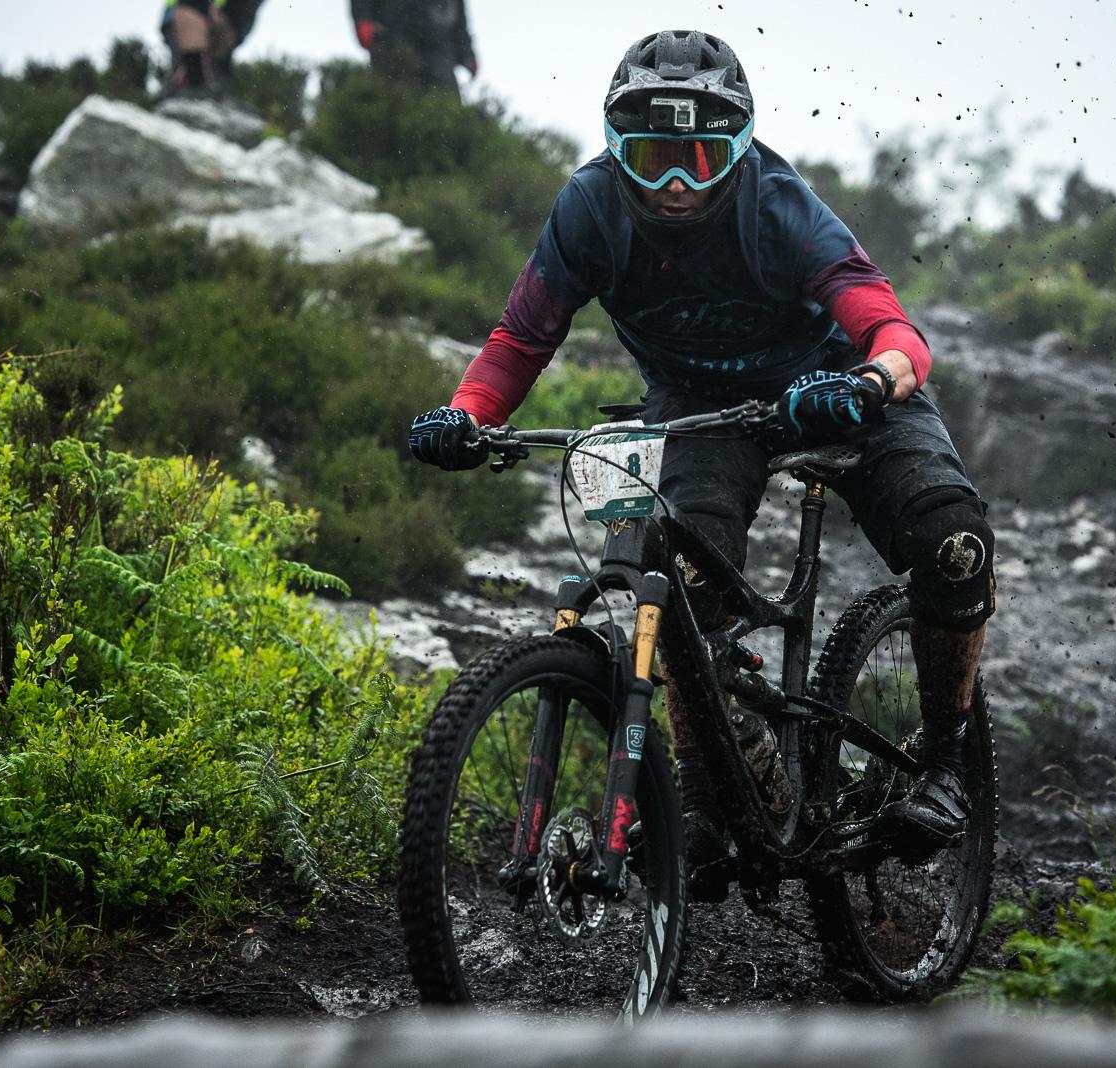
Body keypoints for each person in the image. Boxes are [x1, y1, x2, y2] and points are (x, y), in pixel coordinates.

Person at [406, 30, 995, 871]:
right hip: (706, 412)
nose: (675, 183)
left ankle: (943, 759)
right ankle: (712, 789)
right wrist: (466, 415)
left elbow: (894, 329)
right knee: (675, 590)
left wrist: (871, 380)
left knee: (955, 543)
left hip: (837, 388)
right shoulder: (590, 208)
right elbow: (520, 338)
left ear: (739, 151)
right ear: (617, 152)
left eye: (699, 157)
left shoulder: (778, 205)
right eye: (650, 157)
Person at [350, 0, 477, 97]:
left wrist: (467, 52)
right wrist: (363, 19)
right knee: (394, 103)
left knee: (445, 106)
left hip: (438, 49)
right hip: (393, 40)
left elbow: (457, 16)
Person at [161, 0, 265, 95]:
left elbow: (237, 28)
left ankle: (198, 86)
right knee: (192, 79)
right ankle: (191, 84)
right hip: (183, 19)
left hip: (214, 32)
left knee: (216, 82)